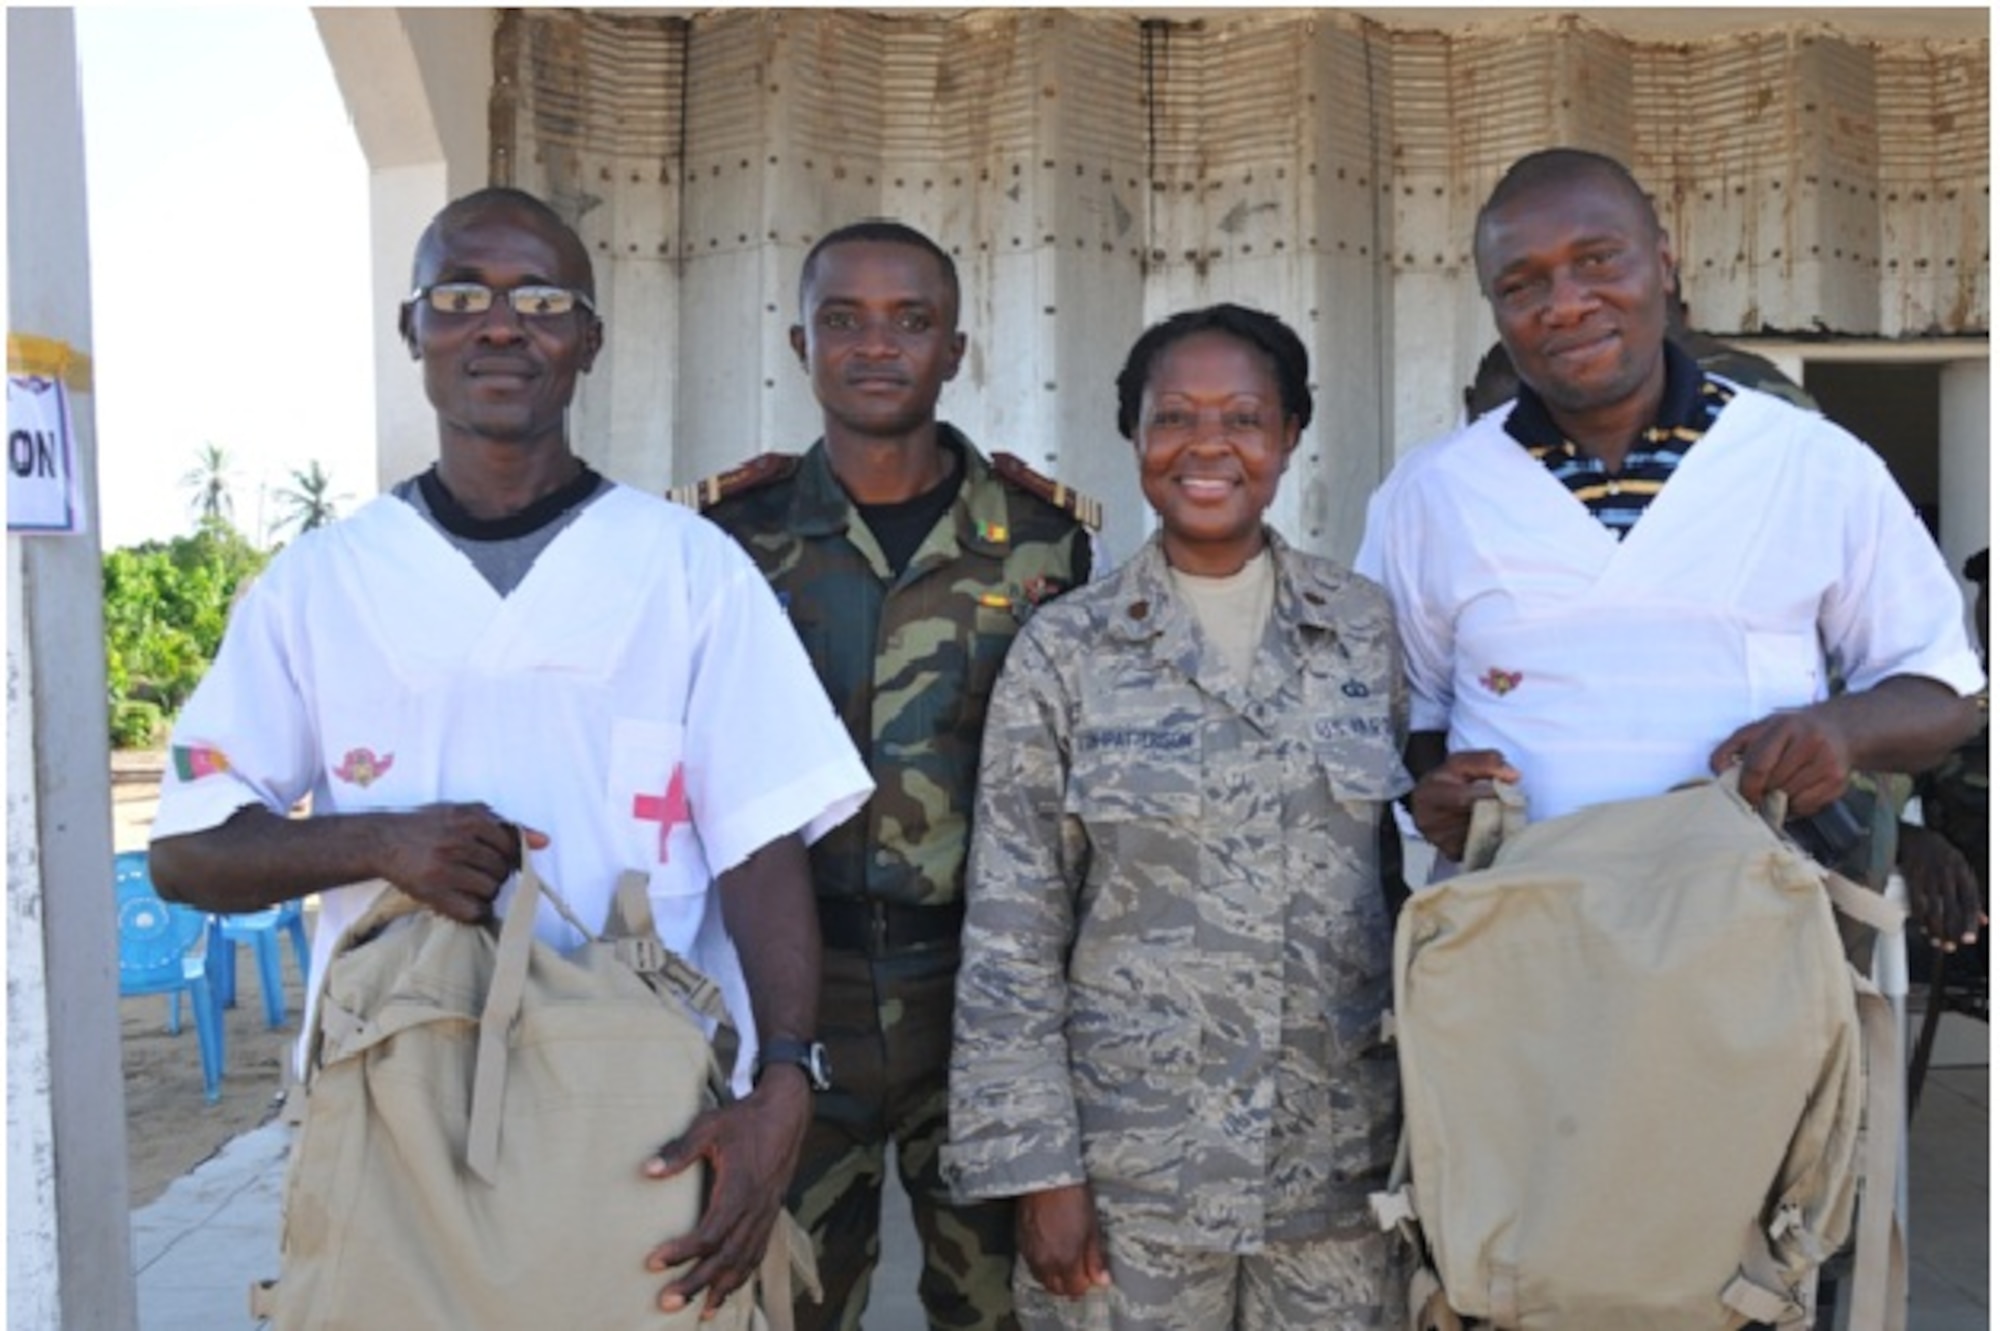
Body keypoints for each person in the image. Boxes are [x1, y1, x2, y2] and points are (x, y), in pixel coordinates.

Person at [147, 186, 874, 1318]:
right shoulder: (324, 581)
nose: (498, 323)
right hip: (394, 1109)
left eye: (540, 299)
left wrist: (784, 1075)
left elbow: (761, 841)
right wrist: (381, 840)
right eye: (458, 296)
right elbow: (187, 853)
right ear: (413, 332)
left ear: (586, 340)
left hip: (643, 1106)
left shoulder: (686, 569)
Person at [946, 304, 1410, 1330]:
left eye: (1243, 417)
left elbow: (1403, 885)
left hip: (1335, 1170)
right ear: (1134, 437)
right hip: (1131, 1175)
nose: (1206, 446)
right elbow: (1011, 932)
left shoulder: (1363, 630)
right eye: (1172, 418)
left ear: (1290, 432)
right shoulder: (1066, 651)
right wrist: (1038, 1168)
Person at [678, 219, 1100, 1331]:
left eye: (910, 321)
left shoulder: (1043, 541)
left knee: (1001, 1302)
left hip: (982, 991)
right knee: (787, 1300)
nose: (876, 345)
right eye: (842, 320)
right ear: (797, 342)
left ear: (955, 348)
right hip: (788, 982)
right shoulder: (728, 537)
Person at [1359, 147, 1983, 873]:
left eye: (1597, 261)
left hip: (1749, 923)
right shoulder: (1431, 492)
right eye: (1521, 284)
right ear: (1495, 308)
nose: (1564, 303)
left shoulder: (1813, 462)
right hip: (1518, 933)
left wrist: (1838, 730)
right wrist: (1432, 793)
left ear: (1664, 262)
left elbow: (1945, 694)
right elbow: (1404, 718)